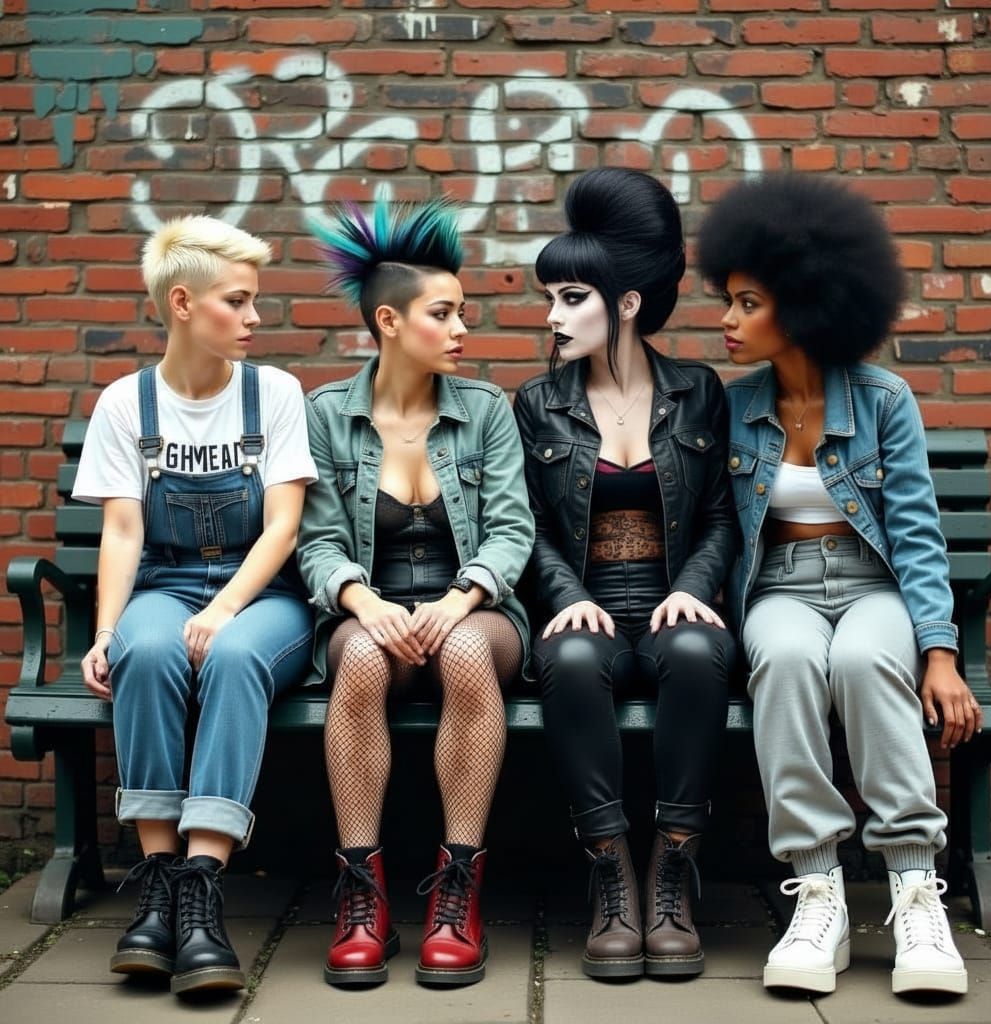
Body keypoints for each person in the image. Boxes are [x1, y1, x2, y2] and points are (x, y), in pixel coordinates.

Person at [697, 172, 979, 997]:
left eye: (748, 303)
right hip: (779, 587)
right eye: (731, 301)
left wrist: (940, 651)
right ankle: (816, 890)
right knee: (783, 662)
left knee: (862, 664)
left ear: (808, 301)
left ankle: (913, 885)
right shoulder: (735, 405)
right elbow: (720, 526)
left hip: (874, 586)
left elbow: (920, 537)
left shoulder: (885, 401)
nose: (728, 320)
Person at [75, 216, 317, 996]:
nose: (254, 319)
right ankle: (157, 887)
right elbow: (121, 529)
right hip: (166, 586)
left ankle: (203, 894)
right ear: (183, 303)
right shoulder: (126, 404)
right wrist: (107, 629)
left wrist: (225, 610)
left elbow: (283, 525)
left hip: (264, 598)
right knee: (144, 651)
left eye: (255, 302)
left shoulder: (274, 392)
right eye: (238, 302)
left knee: (238, 656)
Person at [299, 196, 533, 988]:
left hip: (474, 611)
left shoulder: (486, 410)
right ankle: (360, 895)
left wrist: (460, 597)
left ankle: (456, 890)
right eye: (445, 312)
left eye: (462, 311)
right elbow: (318, 537)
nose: (464, 327)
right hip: (369, 613)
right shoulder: (328, 414)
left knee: (467, 653)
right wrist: (363, 602)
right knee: (361, 663)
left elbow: (511, 530)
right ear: (390, 322)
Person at [513, 168, 737, 980]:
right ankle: (610, 874)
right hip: (588, 611)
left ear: (629, 302)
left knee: (695, 653)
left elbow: (719, 517)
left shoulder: (699, 393)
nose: (552, 315)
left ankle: (671, 871)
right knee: (568, 661)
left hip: (675, 600)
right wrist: (567, 597)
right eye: (550, 296)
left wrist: (695, 588)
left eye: (572, 296)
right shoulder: (539, 403)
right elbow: (529, 527)